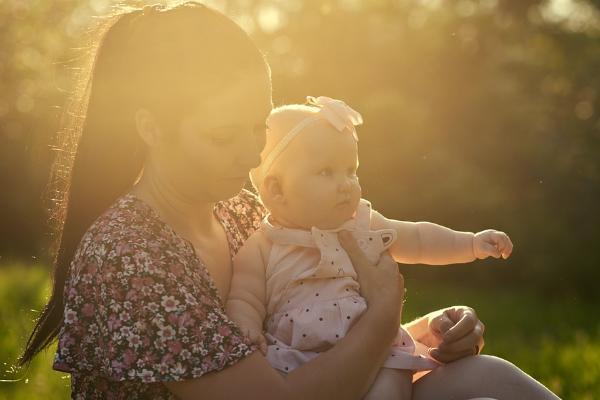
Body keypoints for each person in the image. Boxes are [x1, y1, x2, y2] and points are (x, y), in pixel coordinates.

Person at [18, 2, 559, 399]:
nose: (250, 153)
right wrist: (384, 314)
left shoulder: (240, 210)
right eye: (222, 135)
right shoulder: (130, 254)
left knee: (491, 381)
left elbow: (315, 332)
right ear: (151, 129)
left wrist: (427, 333)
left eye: (259, 127)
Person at [226, 96, 514, 399]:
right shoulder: (263, 244)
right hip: (298, 361)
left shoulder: (361, 223)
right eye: (326, 172)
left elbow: (418, 239)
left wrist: (470, 242)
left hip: (378, 356)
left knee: (388, 389)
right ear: (276, 189)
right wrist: (247, 329)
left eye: (351, 171)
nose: (346, 184)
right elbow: (245, 296)